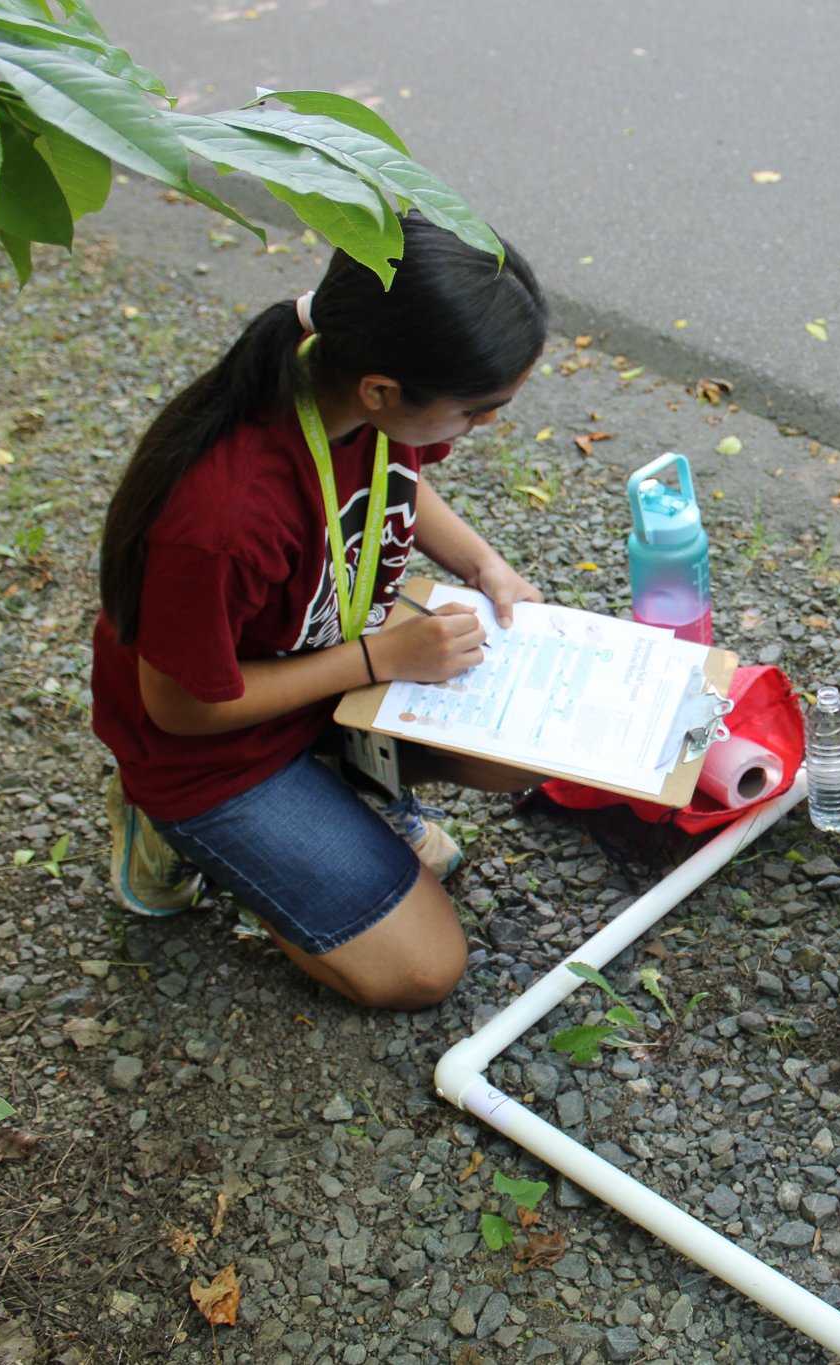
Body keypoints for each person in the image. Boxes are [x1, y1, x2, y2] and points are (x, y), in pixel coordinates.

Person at [91, 214, 551, 1012]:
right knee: (422, 971)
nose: (483, 427)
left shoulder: (351, 387)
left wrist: (483, 564)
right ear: (382, 389)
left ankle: (339, 784)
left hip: (332, 660)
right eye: (477, 410)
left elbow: (403, 476)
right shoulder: (223, 516)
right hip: (215, 755)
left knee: (535, 743)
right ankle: (170, 828)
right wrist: (382, 659)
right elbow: (181, 704)